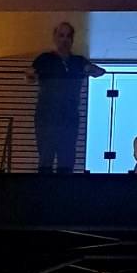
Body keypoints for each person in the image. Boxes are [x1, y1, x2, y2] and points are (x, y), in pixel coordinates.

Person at [30, 21, 105, 174]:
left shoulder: (78, 61)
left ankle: (64, 188)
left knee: (67, 159)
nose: (64, 39)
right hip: (47, 117)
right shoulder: (45, 59)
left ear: (72, 39)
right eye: (61, 35)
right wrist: (32, 75)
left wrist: (89, 68)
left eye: (68, 36)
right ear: (55, 37)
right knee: (46, 157)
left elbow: (100, 72)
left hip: (69, 118)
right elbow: (29, 75)